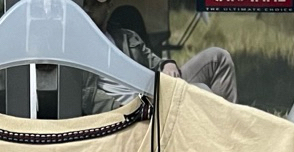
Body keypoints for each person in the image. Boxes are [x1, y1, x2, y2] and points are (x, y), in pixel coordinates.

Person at [81, 0, 235, 114]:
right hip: (139, 108)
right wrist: (125, 109)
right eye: (84, 3)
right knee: (201, 92)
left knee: (218, 57)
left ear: (109, 5)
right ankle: (225, 137)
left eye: (93, 4)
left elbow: (155, 62)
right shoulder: (78, 47)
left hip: (158, 89)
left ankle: (229, 130)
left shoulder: (126, 37)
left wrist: (167, 64)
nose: (87, 8)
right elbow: (84, 97)